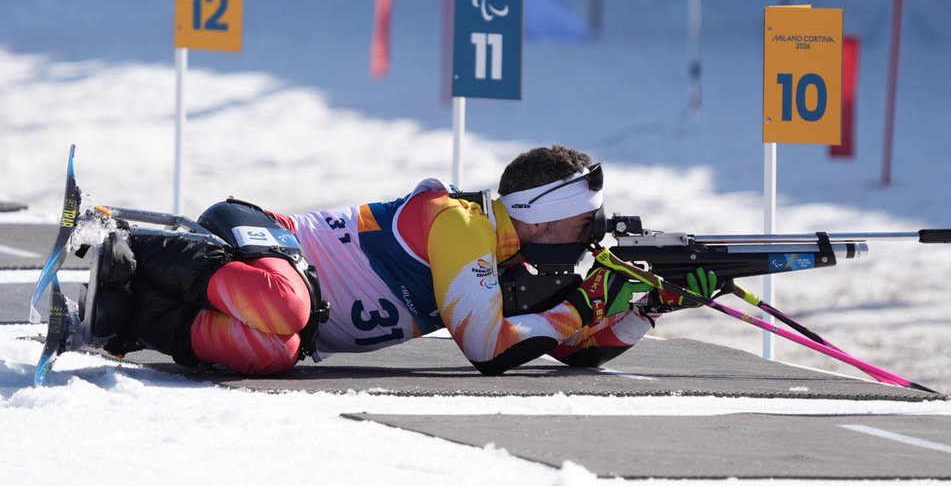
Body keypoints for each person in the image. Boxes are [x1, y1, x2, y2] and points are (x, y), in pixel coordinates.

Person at [81, 145, 703, 376]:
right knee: (285, 304)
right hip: (254, 242)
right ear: (538, 213)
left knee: (277, 349)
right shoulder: (465, 224)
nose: (591, 230)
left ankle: (123, 317)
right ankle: (126, 244)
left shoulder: (523, 263)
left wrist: (643, 310)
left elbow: (572, 353)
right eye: (584, 217)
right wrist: (580, 305)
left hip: (289, 314)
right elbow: (490, 349)